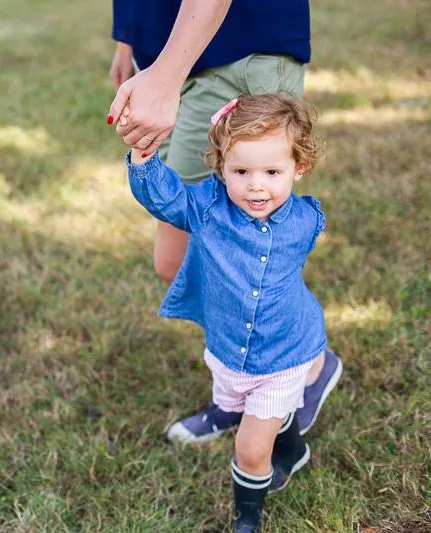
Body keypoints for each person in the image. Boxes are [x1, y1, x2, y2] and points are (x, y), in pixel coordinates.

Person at [107, 0, 342, 442]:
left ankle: (303, 367)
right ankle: (242, 390)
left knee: (247, 258)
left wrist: (166, 74)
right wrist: (129, 38)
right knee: (176, 262)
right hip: (163, 53)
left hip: (234, 45)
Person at [125, 94, 329, 531]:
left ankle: (247, 519)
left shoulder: (306, 220)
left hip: (285, 352)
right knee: (246, 407)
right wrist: (144, 157)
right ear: (221, 168)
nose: (256, 186)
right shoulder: (207, 209)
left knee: (251, 448)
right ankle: (293, 451)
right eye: (240, 172)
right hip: (228, 349)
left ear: (299, 167)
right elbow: (165, 199)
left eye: (272, 172)